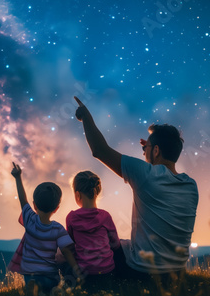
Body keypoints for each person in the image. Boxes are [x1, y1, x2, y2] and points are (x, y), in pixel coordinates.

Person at [73, 96, 199, 285]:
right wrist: (150, 151)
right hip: (177, 272)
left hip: (142, 271)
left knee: (94, 245)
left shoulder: (145, 174)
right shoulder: (191, 185)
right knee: (122, 243)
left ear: (156, 151)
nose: (143, 150)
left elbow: (99, 150)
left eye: (146, 147)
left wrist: (86, 116)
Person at [10, 162, 81, 291]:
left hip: (29, 273)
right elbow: (66, 251)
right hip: (49, 275)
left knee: (33, 288)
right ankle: (44, 287)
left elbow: (22, 199)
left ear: (34, 205)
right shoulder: (57, 229)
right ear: (56, 209)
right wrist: (77, 270)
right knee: (51, 287)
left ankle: (33, 287)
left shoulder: (29, 219)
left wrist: (18, 177)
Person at [66, 170, 120, 290]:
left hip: (85, 273)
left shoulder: (71, 218)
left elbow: (71, 243)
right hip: (107, 271)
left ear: (78, 195)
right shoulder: (105, 216)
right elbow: (115, 243)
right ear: (97, 192)